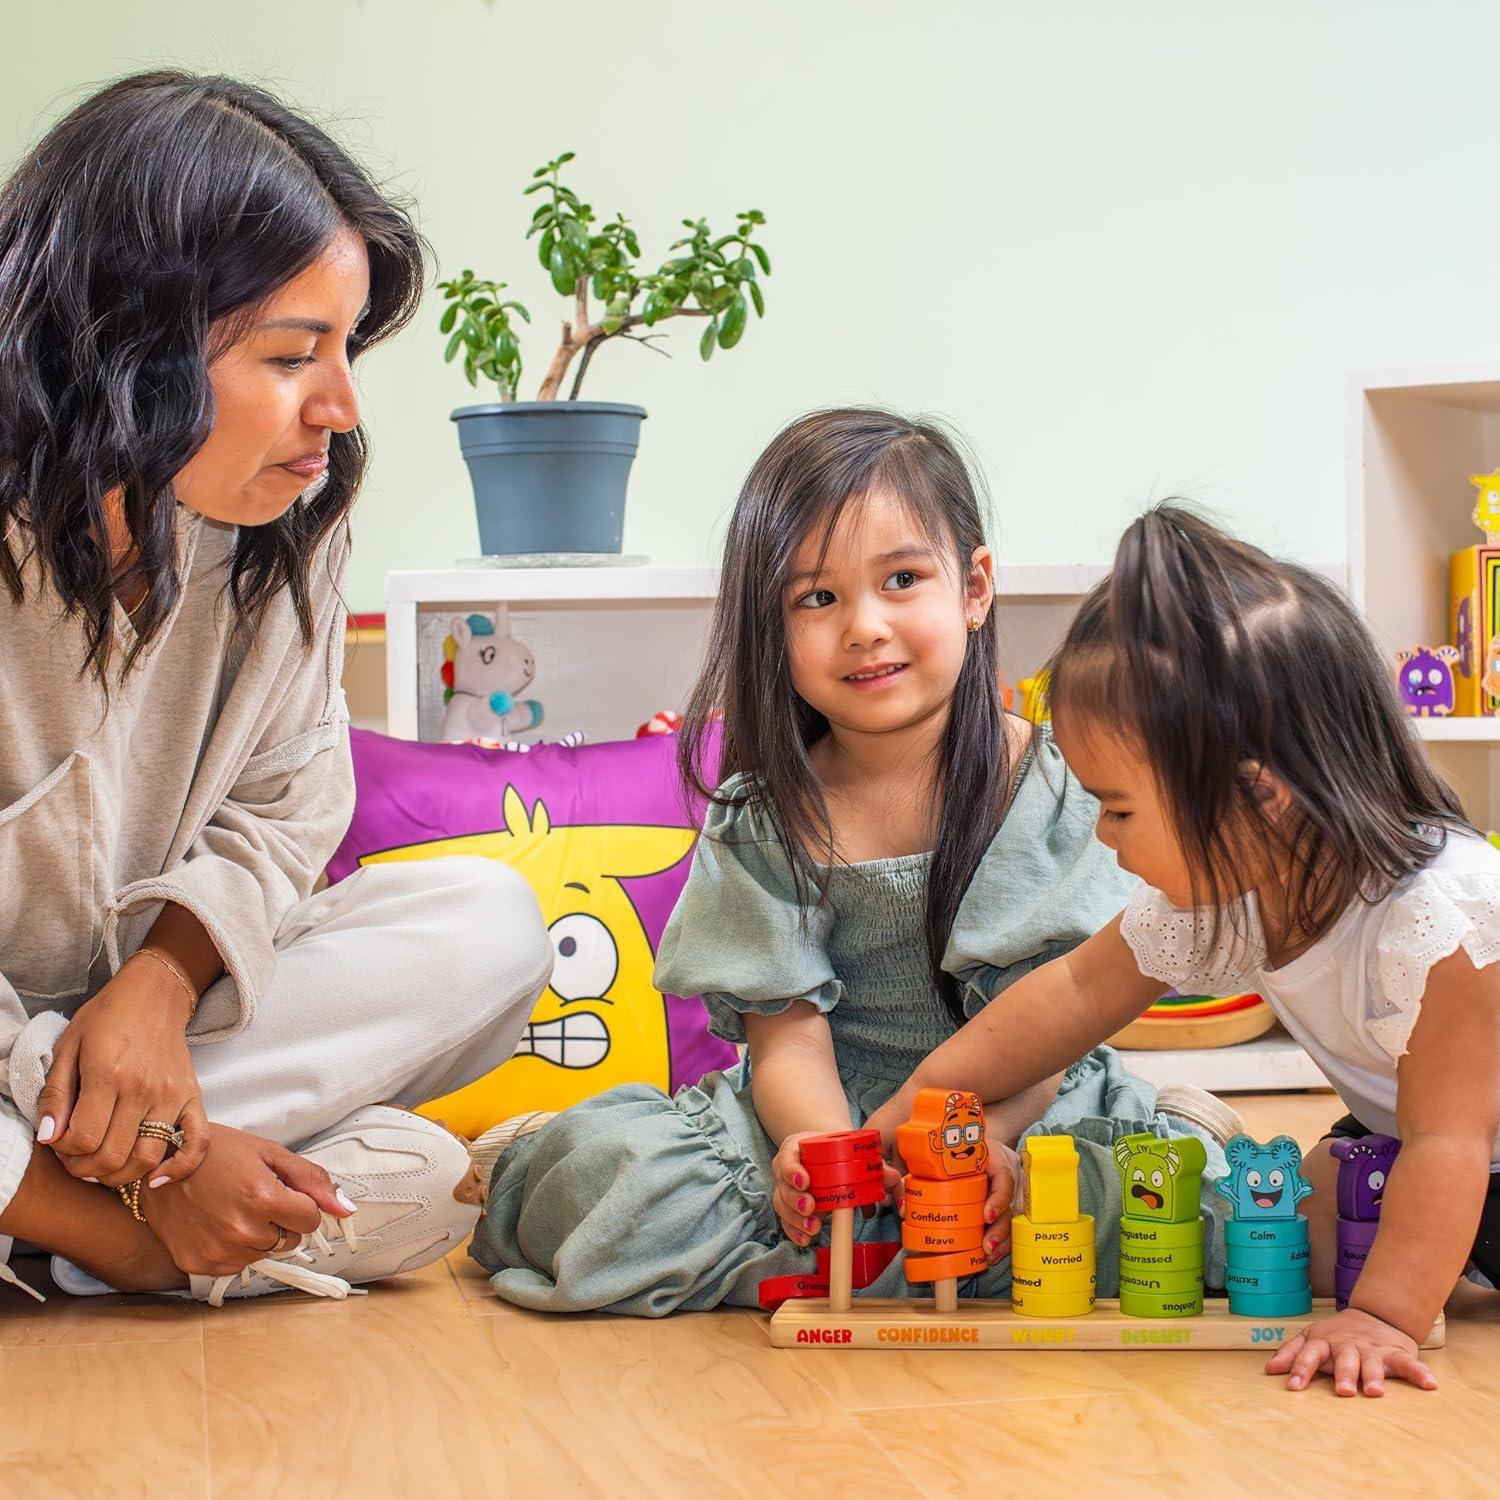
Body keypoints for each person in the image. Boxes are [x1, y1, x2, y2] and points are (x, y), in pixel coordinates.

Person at [470, 408, 1228, 1315]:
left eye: (902, 579)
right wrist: (828, 1162)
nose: (865, 627)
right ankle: (577, 1161)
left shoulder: (1057, 786)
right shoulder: (766, 814)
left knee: (1171, 1219)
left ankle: (1169, 1127)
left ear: (975, 588)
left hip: (1024, 1108)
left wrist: (976, 1146)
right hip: (821, 1111)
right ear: (772, 627)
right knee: (614, 1189)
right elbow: (788, 1038)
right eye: (816, 599)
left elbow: (1047, 1031)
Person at [0, 71, 552, 1306]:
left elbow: (289, 804)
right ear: (128, 343)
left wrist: (158, 989)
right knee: (410, 1187)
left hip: (155, 1039)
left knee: (489, 925)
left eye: (345, 349)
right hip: (29, 1071)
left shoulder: (282, 526)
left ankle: (68, 1205)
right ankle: (124, 1237)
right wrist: (153, 1151)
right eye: (294, 354)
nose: (340, 408)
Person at [873, 504, 1500, 1395]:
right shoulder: (1238, 887)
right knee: (1287, 1236)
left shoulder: (1441, 924)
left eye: (1119, 808)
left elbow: (1450, 1141)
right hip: (1408, 1135)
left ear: (1257, 795)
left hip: (1461, 1145)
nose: (1103, 835)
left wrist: (1386, 1316)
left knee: (1382, 1264)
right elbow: (1074, 996)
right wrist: (905, 1113)